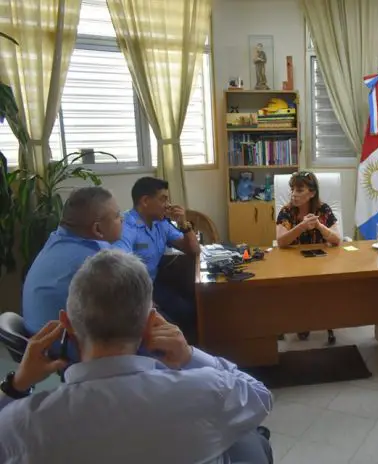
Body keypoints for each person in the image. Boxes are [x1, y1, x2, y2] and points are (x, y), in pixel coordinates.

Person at [0, 249, 273, 464]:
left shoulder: (22, 424)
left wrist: (15, 386)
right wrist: (189, 356)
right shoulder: (209, 389)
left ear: (67, 324)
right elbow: (260, 397)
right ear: (151, 322)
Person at [23, 186, 123, 338]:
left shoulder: (55, 241)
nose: (122, 219)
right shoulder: (98, 261)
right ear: (97, 229)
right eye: (117, 215)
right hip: (67, 349)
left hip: (38, 343)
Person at [114, 177, 200, 341]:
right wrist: (146, 301)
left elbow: (194, 250)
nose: (168, 205)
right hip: (134, 293)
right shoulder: (126, 226)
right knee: (169, 327)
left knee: (189, 311)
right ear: (145, 201)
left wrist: (184, 224)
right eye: (163, 199)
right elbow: (119, 268)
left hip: (153, 285)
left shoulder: (160, 223)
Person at [276, 171, 341, 344]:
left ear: (312, 193)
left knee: (319, 287)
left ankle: (309, 319)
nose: (293, 194)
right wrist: (302, 227)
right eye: (292, 190)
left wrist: (319, 226)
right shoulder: (286, 211)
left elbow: (337, 239)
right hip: (292, 265)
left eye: (299, 190)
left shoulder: (323, 210)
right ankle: (302, 320)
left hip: (319, 264)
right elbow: (281, 241)